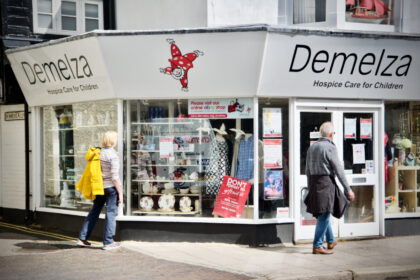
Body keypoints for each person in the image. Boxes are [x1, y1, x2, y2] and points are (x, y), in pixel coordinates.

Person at [305, 122, 355, 254]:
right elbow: (339, 170)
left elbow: (307, 170)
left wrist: (310, 186)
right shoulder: (330, 147)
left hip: (314, 184)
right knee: (325, 214)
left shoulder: (312, 147)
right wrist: (348, 189)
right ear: (331, 134)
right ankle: (317, 246)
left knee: (323, 213)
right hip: (326, 184)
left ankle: (331, 240)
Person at [77, 131, 123, 250]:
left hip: (99, 187)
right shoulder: (113, 155)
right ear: (114, 141)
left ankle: (82, 238)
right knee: (111, 214)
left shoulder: (98, 153)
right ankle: (108, 242)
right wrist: (121, 193)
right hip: (111, 189)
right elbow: (114, 177)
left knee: (94, 212)